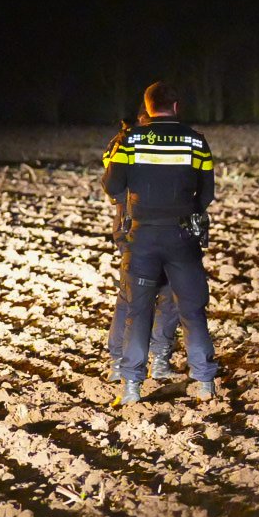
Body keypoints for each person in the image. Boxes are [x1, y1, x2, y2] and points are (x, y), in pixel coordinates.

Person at [102, 82, 221, 405]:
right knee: (192, 309)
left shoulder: (130, 140)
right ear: (177, 106)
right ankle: (205, 382)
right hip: (182, 236)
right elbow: (207, 193)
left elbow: (112, 185)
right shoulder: (196, 141)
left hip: (142, 236)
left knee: (137, 311)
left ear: (148, 106)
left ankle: (131, 387)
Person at [103, 112, 180, 382]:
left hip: (137, 226)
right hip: (140, 226)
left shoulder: (126, 143)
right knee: (158, 294)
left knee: (138, 294)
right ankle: (142, 361)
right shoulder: (130, 142)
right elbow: (113, 186)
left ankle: (132, 362)